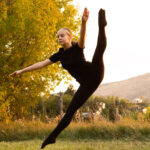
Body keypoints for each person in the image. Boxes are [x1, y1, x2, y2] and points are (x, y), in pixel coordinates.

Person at [10, 8, 107, 149]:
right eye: (58, 36)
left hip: (95, 72)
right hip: (86, 84)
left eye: (62, 35)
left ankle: (102, 24)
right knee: (70, 111)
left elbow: (82, 37)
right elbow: (41, 64)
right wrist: (21, 71)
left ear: (69, 37)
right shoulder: (59, 55)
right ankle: (52, 137)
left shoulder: (77, 47)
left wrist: (84, 22)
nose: (59, 38)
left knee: (99, 50)